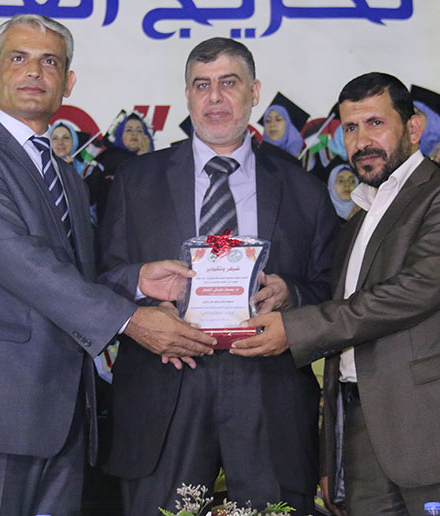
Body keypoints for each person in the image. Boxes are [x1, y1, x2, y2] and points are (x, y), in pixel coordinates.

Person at [0, 14, 215, 516]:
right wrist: (129, 320)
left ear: (68, 83)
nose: (34, 71)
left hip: (63, 418)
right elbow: (18, 261)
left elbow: (73, 277)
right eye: (18, 58)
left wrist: (135, 280)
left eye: (50, 62)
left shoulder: (66, 175)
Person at [231, 72, 440, 514]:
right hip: (362, 440)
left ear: (414, 128)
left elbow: (413, 292)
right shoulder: (358, 219)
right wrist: (292, 298)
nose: (362, 141)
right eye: (350, 128)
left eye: (375, 123)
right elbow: (348, 309)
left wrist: (295, 328)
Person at [98, 37, 336, 513]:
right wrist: (142, 287)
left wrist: (291, 294)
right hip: (164, 388)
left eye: (229, 83)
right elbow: (102, 280)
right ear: (187, 95)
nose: (214, 98)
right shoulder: (135, 181)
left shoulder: (302, 187)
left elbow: (331, 287)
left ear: (254, 92)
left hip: (269, 392)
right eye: (201, 85)